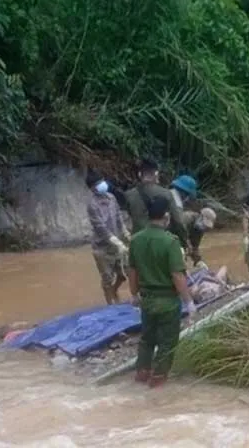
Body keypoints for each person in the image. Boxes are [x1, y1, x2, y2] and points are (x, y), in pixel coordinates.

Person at [128, 195, 197, 388]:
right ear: (166, 216)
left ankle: (142, 373)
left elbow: (132, 271)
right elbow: (177, 276)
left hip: (147, 300)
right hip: (167, 301)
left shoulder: (136, 240)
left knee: (147, 339)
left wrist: (134, 294)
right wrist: (189, 302)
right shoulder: (170, 242)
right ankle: (158, 381)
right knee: (167, 342)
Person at [123, 158, 188, 249]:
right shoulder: (166, 194)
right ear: (156, 174)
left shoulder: (128, 195)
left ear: (139, 174)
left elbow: (127, 220)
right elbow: (178, 221)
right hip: (160, 242)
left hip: (138, 243)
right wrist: (184, 242)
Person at [86, 170, 130, 305]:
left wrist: (125, 233)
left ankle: (114, 290)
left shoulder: (111, 198)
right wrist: (115, 241)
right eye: (99, 183)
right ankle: (110, 305)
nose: (103, 184)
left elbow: (118, 217)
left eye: (102, 181)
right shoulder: (92, 205)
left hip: (117, 244)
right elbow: (100, 227)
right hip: (102, 248)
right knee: (107, 278)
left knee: (123, 275)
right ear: (93, 188)